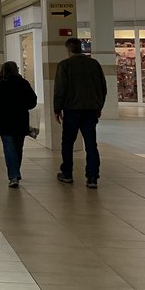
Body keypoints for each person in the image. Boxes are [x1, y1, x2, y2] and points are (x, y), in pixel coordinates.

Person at [53, 38, 107, 189]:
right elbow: (102, 87)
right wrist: (99, 106)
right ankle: (92, 177)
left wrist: (57, 109)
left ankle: (67, 173)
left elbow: (60, 88)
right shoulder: (94, 64)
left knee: (68, 142)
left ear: (68, 49)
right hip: (90, 110)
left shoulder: (65, 65)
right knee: (91, 143)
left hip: (71, 110)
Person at [0, 61, 37, 188]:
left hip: (4, 121)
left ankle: (13, 175)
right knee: (18, 148)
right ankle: (15, 172)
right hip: (21, 121)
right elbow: (32, 101)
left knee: (9, 148)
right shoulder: (23, 83)